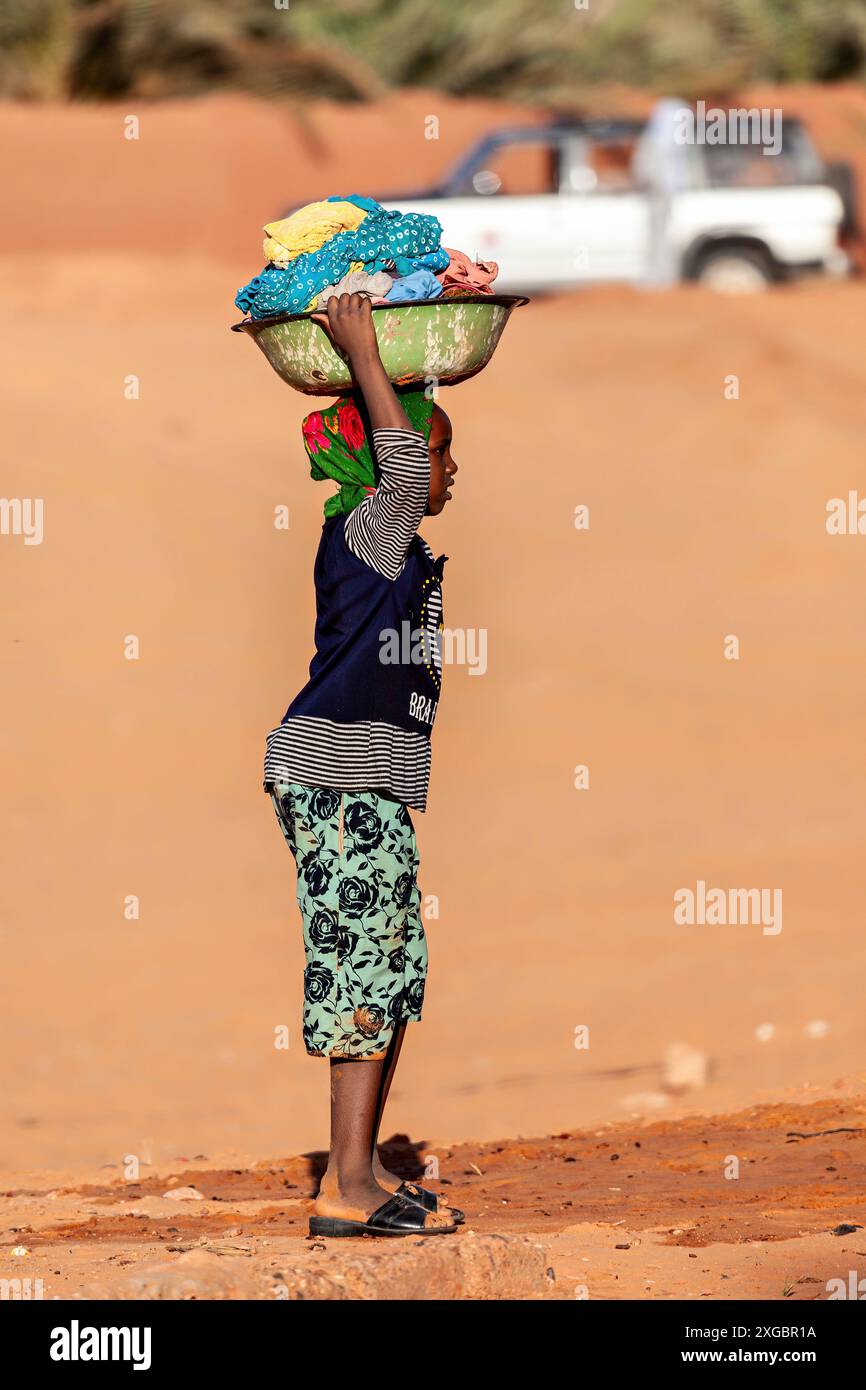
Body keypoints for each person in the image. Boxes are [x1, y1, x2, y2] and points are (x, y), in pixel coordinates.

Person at [264, 292, 463, 1237]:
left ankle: (362, 1175)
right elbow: (395, 465)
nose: (451, 469)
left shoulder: (397, 550)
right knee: (358, 977)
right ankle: (345, 1188)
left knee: (389, 972)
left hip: (365, 786)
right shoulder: (368, 533)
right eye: (440, 451)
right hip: (335, 781)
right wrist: (367, 353)